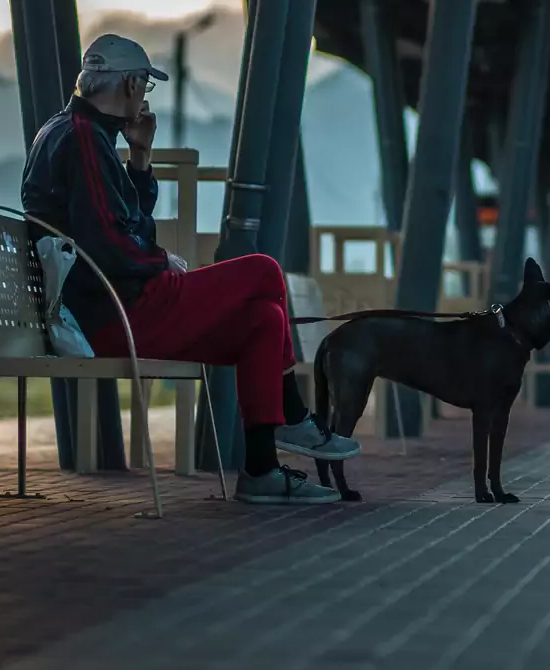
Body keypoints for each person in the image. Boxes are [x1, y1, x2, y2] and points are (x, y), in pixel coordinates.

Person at [21, 34, 360, 505]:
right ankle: (296, 418)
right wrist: (162, 263)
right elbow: (110, 244)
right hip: (115, 315)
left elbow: (128, 223)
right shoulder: (82, 140)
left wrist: (140, 157)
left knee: (263, 321)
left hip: (111, 309)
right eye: (143, 87)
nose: (143, 98)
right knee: (262, 270)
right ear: (128, 85)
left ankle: (261, 471)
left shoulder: (72, 132)